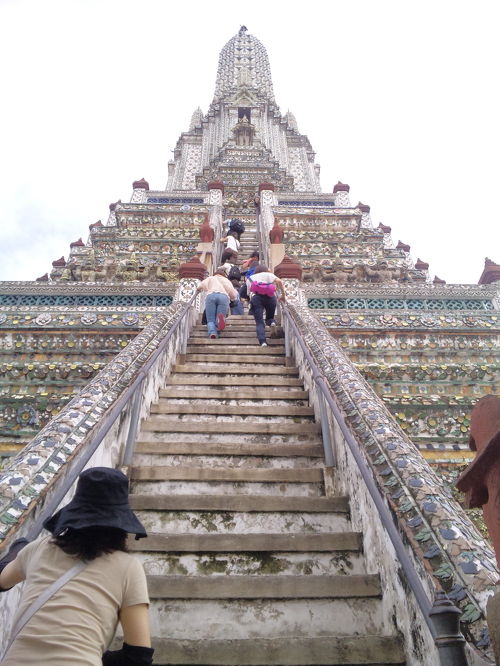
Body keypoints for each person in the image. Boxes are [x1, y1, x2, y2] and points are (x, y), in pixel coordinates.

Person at [0, 466, 153, 666]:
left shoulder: (39, 549)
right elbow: (137, 657)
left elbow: (2, 578)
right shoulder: (128, 568)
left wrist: (19, 549)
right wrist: (90, 651)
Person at [246, 264, 286, 347]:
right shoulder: (269, 274)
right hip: (270, 297)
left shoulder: (250, 278)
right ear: (265, 269)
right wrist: (282, 295)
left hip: (256, 298)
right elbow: (279, 281)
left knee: (259, 322)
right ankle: (271, 322)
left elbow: (249, 292)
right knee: (270, 317)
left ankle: (263, 342)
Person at [196, 266, 237, 339]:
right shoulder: (227, 280)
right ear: (223, 275)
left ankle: (212, 333)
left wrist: (198, 289)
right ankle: (220, 321)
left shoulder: (211, 278)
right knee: (220, 315)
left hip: (211, 296)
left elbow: (200, 285)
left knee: (210, 319)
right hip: (223, 297)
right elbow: (233, 295)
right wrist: (233, 299)